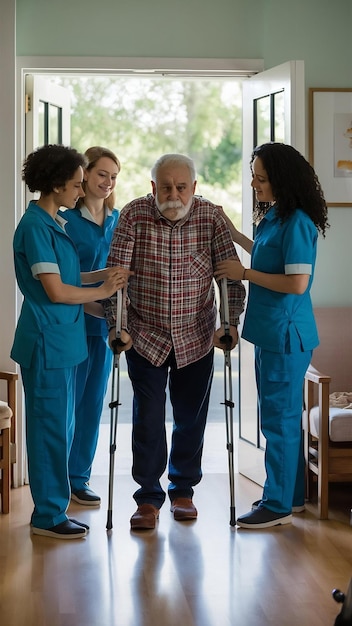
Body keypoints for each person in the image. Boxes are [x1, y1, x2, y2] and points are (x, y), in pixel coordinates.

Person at [103, 153, 246, 530]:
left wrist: (228, 325)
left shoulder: (210, 217)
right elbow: (115, 279)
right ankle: (147, 498)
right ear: (153, 187)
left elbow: (229, 277)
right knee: (148, 419)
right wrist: (115, 326)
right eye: (166, 187)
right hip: (144, 335)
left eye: (182, 187)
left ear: (194, 187)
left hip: (196, 335)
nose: (174, 194)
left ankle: (182, 490)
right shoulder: (133, 215)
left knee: (190, 419)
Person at [11, 144, 129, 539]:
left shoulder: (52, 223)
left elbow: (72, 279)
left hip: (63, 342)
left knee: (62, 427)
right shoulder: (35, 227)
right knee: (49, 431)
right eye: (77, 184)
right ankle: (48, 515)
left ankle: (55, 508)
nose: (81, 191)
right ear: (57, 184)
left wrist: (102, 275)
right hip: (46, 341)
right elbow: (57, 291)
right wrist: (104, 285)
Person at [215, 142, 329, 529]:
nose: (253, 184)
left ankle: (277, 504)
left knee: (277, 421)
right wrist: (234, 235)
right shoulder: (275, 217)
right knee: (281, 417)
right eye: (253, 176)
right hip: (269, 332)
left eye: (260, 178)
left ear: (280, 179)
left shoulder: (297, 222)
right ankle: (292, 496)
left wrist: (243, 274)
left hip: (284, 334)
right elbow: (266, 256)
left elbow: (297, 283)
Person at [58, 146, 121, 507]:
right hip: (73, 322)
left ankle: (79, 478)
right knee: (68, 405)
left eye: (113, 176)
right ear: (85, 174)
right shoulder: (66, 220)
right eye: (101, 174)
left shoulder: (118, 220)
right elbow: (65, 278)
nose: (108, 182)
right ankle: (58, 480)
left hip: (106, 328)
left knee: (93, 404)